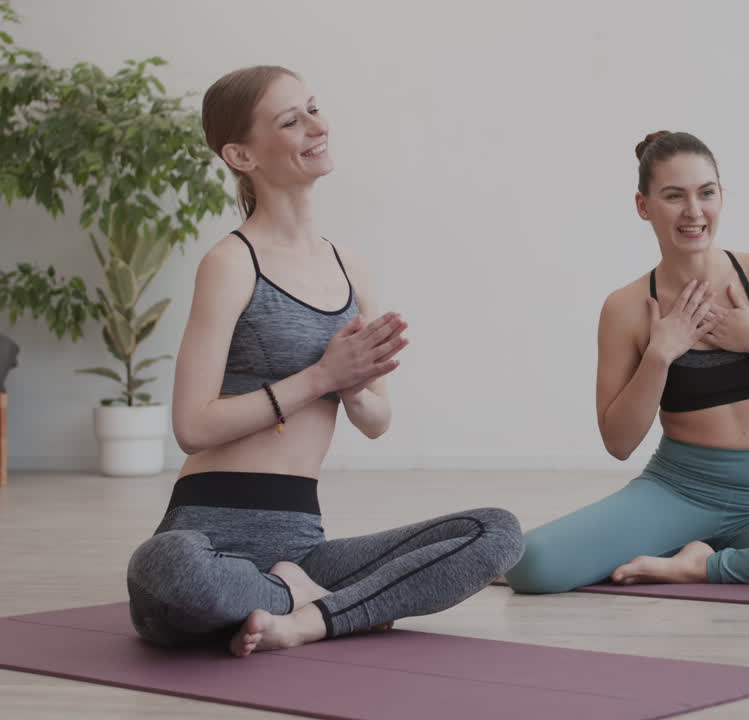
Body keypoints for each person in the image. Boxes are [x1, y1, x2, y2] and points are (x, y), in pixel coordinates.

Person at [125, 66, 523, 656]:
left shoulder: (350, 267)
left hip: (303, 546)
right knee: (169, 566)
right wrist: (322, 377)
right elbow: (192, 426)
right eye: (291, 120)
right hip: (207, 537)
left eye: (313, 108)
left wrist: (357, 384)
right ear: (241, 154)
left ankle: (305, 617)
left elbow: (377, 421)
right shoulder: (231, 263)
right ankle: (303, 600)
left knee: (496, 533)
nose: (317, 125)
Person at [506, 131, 749, 593]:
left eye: (706, 193)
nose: (693, 211)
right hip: (676, 493)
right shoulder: (627, 307)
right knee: (531, 567)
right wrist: (660, 354)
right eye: (674, 196)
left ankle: (700, 565)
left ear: (721, 196)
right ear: (643, 206)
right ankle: (699, 550)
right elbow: (618, 441)